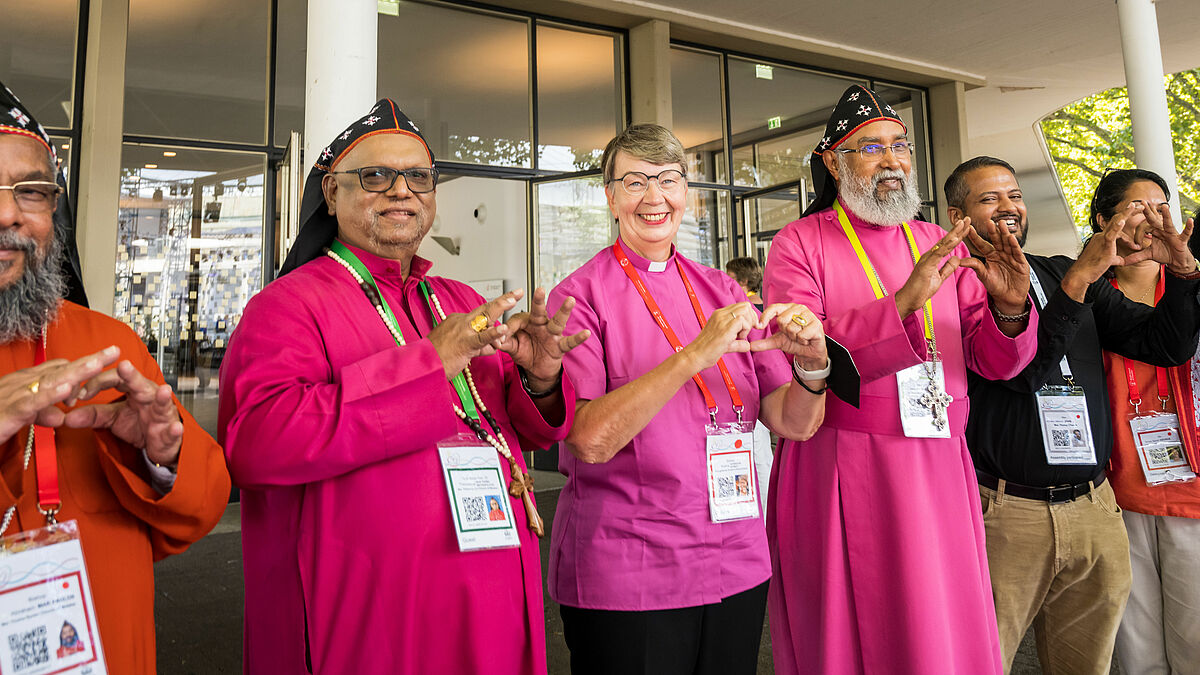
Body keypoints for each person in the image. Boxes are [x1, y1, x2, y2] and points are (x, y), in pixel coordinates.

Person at [219, 99, 585, 675]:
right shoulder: (284, 306)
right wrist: (428, 363)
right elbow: (258, 445)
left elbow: (509, 426)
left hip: (490, 581)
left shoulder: (459, 299)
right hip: (377, 613)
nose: (401, 190)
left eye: (419, 177)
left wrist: (540, 379)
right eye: (375, 176)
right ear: (331, 195)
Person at [548, 123, 844, 675]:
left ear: (688, 192)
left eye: (667, 180)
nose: (654, 197)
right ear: (610, 197)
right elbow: (588, 440)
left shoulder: (723, 290)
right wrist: (693, 355)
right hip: (632, 566)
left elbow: (793, 421)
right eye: (634, 182)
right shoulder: (580, 296)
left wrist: (812, 362)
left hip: (735, 556)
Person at [762, 86, 1039, 675]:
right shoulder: (799, 242)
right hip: (841, 458)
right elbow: (802, 350)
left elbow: (992, 361)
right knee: (857, 632)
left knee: (942, 626)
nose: (891, 160)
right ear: (834, 164)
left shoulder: (940, 240)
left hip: (939, 459)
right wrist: (907, 299)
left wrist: (1010, 311)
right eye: (871, 148)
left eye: (900, 146)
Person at [0, 80, 231, 674]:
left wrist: (163, 457)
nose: (7, 214)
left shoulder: (108, 343)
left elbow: (197, 514)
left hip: (106, 644)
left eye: (30, 192)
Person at [946, 158, 1200, 674]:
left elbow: (1165, 343)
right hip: (1007, 512)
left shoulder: (1059, 270)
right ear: (958, 215)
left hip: (1092, 509)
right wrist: (1082, 279)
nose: (1009, 207)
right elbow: (1019, 374)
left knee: (1090, 665)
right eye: (989, 198)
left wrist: (1181, 269)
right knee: (983, 661)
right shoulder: (958, 283)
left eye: (1013, 195)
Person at [1090, 172, 1200, 674]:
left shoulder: (1191, 283)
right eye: (1138, 205)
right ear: (1103, 221)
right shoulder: (1085, 293)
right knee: (1134, 649)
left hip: (1191, 491)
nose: (1155, 215)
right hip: (1115, 492)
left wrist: (1186, 272)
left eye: (1162, 204)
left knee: (1194, 639)